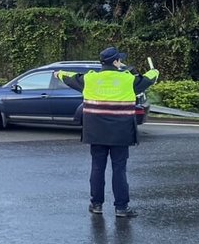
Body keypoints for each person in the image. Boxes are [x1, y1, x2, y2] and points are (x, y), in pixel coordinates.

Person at [55, 47, 159, 218]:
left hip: (95, 132)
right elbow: (148, 79)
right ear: (116, 62)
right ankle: (121, 208)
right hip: (121, 132)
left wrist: (58, 73)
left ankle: (96, 205)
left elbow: (68, 76)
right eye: (120, 60)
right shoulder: (128, 80)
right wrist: (154, 72)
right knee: (119, 169)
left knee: (97, 167)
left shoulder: (90, 79)